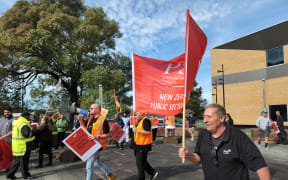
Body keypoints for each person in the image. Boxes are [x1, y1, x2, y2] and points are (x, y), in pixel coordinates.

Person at [178, 104, 270, 180]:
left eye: (209, 117)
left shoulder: (237, 136)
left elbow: (259, 165)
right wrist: (188, 155)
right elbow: (198, 158)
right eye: (204, 117)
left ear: (222, 118)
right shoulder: (203, 135)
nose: (204, 120)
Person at [79, 104, 116, 180]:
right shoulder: (90, 119)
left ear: (97, 110)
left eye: (91, 108)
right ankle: (110, 175)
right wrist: (80, 120)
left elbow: (108, 134)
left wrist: (97, 137)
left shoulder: (103, 120)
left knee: (89, 166)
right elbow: (84, 128)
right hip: (90, 145)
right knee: (96, 162)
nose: (90, 110)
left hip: (97, 146)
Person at [7, 112, 36, 179]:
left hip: (18, 145)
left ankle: (10, 174)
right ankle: (26, 175)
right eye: (29, 116)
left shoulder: (17, 122)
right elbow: (27, 134)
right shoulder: (23, 124)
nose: (30, 117)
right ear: (26, 116)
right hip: (23, 146)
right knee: (24, 162)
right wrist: (34, 131)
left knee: (17, 161)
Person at [130, 112, 158, 180]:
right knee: (143, 162)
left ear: (142, 113)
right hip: (137, 145)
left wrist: (137, 130)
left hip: (142, 145)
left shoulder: (146, 120)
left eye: (138, 112)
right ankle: (153, 172)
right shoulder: (138, 120)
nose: (136, 113)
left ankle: (144, 177)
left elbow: (148, 132)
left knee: (140, 165)